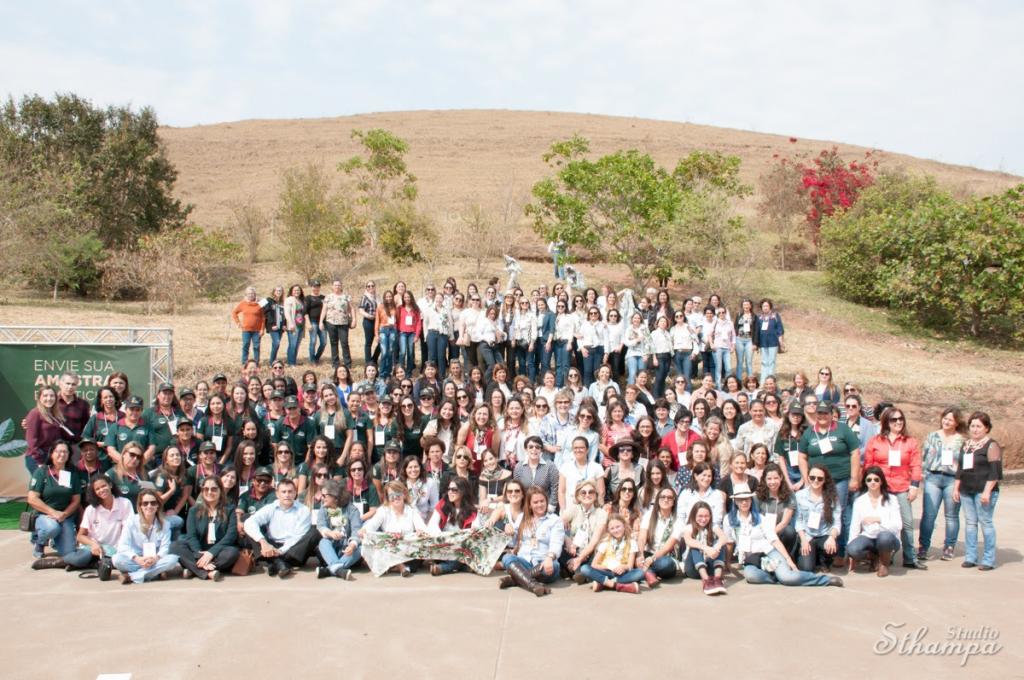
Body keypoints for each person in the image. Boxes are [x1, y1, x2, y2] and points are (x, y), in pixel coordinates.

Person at [728, 483, 843, 588]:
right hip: (750, 559)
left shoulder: (759, 518)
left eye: (747, 499)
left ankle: (824, 580)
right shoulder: (729, 520)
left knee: (787, 577)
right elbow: (728, 542)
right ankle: (776, 577)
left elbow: (774, 540)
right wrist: (727, 564)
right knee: (751, 576)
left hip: (769, 553)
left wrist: (789, 560)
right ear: (735, 502)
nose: (744, 502)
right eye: (740, 500)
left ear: (751, 500)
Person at [862, 406, 925, 569]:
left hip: (902, 487)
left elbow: (916, 465)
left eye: (900, 419)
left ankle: (910, 557)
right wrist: (869, 486)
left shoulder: (910, 442)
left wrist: (914, 486)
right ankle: (882, 556)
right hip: (881, 489)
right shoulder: (876, 441)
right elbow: (869, 465)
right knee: (882, 524)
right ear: (886, 422)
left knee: (907, 523)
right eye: (894, 419)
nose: (898, 422)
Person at [798, 402, 860, 557]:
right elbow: (802, 456)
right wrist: (806, 479)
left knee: (839, 513)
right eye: (819, 413)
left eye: (825, 413)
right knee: (816, 512)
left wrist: (854, 478)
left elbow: (855, 452)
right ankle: (822, 551)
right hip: (816, 481)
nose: (822, 416)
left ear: (832, 414)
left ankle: (841, 552)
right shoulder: (809, 432)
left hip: (838, 479)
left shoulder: (843, 429)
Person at [243, 478, 321, 578]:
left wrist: (280, 551)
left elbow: (298, 536)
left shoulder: (304, 510)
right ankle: (280, 563)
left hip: (294, 550)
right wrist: (263, 542)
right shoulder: (271, 507)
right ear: (277, 494)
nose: (287, 495)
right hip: (272, 545)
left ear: (295, 493)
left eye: (290, 491)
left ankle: (276, 562)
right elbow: (250, 522)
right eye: (283, 492)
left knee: (314, 532)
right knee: (248, 522)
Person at [955, 412, 1002, 571]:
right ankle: (971, 557)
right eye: (973, 426)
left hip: (984, 490)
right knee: (970, 524)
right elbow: (961, 469)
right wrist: (956, 488)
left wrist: (987, 492)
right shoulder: (966, 444)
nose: (975, 429)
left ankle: (988, 559)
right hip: (966, 490)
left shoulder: (991, 445)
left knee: (986, 523)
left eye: (979, 426)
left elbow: (995, 472)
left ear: (986, 428)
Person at [918, 407, 965, 562]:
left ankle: (949, 546)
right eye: (945, 418)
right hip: (933, 477)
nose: (946, 421)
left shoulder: (961, 440)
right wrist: (923, 478)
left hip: (952, 479)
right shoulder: (932, 436)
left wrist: (960, 483)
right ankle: (923, 547)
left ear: (956, 423)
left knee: (951, 516)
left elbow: (964, 464)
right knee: (929, 516)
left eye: (950, 419)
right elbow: (924, 458)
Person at [171, 476, 240, 580]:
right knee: (175, 546)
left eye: (214, 489)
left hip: (219, 551)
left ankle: (194, 569)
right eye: (206, 489)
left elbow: (231, 536)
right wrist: (200, 555)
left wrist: (211, 553)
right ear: (202, 491)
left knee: (232, 552)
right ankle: (207, 572)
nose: (209, 492)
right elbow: (191, 536)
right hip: (198, 551)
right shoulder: (194, 511)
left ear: (220, 491)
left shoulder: (229, 509)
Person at [499, 486, 563, 596]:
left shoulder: (554, 520)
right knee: (507, 558)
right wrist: (508, 530)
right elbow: (513, 542)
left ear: (546, 501)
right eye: (535, 502)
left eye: (542, 501)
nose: (539, 505)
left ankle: (515, 579)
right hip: (525, 562)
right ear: (529, 504)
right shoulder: (522, 517)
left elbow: (556, 543)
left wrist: (549, 558)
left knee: (552, 567)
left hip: (544, 563)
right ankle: (534, 585)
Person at [63, 476, 133, 576]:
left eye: (104, 486)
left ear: (110, 485)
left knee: (121, 561)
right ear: (94, 492)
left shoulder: (125, 503)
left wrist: (120, 548)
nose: (101, 490)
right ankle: (62, 561)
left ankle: (92, 564)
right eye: (97, 489)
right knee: (81, 558)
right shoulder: (91, 509)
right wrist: (93, 544)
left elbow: (128, 530)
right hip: (93, 549)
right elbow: (80, 536)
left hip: (115, 549)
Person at [359, 480, 430, 577]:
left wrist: (420, 531)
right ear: (387, 498)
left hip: (407, 548)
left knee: (420, 547)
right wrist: (364, 530)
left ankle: (393, 566)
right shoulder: (383, 510)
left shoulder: (411, 510)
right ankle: (402, 567)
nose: (395, 497)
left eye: (398, 494)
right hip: (389, 548)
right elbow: (372, 525)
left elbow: (421, 527)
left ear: (404, 494)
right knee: (378, 540)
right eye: (391, 495)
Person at [27, 440, 81, 566]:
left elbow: (76, 500)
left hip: (65, 517)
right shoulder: (42, 472)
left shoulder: (72, 474)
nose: (62, 454)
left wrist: (64, 514)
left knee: (69, 554)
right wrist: (53, 512)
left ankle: (56, 542)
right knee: (52, 528)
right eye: (58, 451)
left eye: (65, 452)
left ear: (69, 455)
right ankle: (39, 542)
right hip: (44, 515)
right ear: (52, 454)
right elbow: (32, 498)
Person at [112, 489, 181, 584]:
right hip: (136, 559)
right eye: (145, 503)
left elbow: (165, 547)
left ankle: (131, 576)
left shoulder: (165, 524)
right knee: (116, 559)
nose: (149, 506)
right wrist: (137, 559)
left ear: (158, 505)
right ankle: (155, 573)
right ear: (140, 506)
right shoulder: (131, 521)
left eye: (153, 503)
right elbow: (123, 546)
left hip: (154, 559)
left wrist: (155, 559)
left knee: (172, 559)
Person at [847, 467, 903, 577]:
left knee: (884, 537)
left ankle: (884, 564)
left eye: (876, 479)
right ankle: (874, 557)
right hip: (869, 536)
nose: (873, 482)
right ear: (865, 482)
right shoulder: (860, 501)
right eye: (869, 480)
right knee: (853, 549)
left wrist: (879, 519)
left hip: (889, 538)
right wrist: (851, 552)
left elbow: (898, 525)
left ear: (881, 481)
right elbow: (855, 525)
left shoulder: (892, 499)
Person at [427, 477, 478, 575]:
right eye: (449, 489)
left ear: (463, 491)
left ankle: (443, 568)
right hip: (443, 545)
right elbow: (432, 524)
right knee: (460, 557)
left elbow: (475, 531)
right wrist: (444, 539)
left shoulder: (472, 511)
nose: (450, 492)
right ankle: (465, 566)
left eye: (454, 490)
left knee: (461, 554)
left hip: (460, 547)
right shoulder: (442, 504)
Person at [580, 514, 643, 594]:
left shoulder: (632, 542)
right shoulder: (605, 542)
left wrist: (623, 567)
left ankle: (603, 583)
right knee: (585, 568)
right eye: (612, 528)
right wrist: (609, 568)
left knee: (639, 573)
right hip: (606, 571)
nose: (616, 530)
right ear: (608, 530)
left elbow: (629, 566)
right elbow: (594, 564)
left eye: (618, 527)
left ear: (624, 525)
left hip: (621, 574)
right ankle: (617, 585)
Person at [795, 465, 842, 573]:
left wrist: (832, 537)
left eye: (820, 478)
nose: (816, 480)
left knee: (832, 548)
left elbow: (837, 522)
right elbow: (798, 520)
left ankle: (825, 561)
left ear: (825, 480)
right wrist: (803, 540)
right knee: (806, 569)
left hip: (824, 534)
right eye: (812, 477)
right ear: (808, 477)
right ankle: (812, 558)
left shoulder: (832, 496)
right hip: (808, 535)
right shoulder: (799, 495)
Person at [315, 479, 363, 580]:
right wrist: (330, 533)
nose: (322, 498)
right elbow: (320, 525)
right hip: (331, 550)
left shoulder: (352, 509)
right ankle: (339, 570)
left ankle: (330, 569)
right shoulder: (323, 509)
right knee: (323, 542)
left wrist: (352, 545)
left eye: (324, 496)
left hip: (347, 551)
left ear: (335, 496)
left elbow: (356, 530)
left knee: (361, 548)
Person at [680, 501, 729, 595]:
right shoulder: (689, 527)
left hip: (709, 566)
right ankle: (706, 580)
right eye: (700, 516)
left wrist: (717, 547)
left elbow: (724, 537)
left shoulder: (713, 526)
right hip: (693, 569)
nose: (703, 519)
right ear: (694, 515)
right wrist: (706, 548)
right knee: (694, 546)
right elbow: (689, 541)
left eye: (706, 516)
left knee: (721, 544)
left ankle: (717, 579)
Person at [637, 486, 681, 587]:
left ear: (674, 501)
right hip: (648, 553)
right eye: (663, 497)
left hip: (665, 557)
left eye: (670, 497)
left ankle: (645, 571)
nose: (666, 499)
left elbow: (668, 546)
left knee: (666, 564)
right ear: (658, 500)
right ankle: (649, 573)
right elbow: (642, 537)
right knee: (635, 554)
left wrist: (652, 559)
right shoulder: (650, 515)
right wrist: (640, 555)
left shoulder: (678, 520)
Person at [24, 385, 72, 476]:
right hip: (37, 458)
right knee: (42, 487)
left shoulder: (55, 415)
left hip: (53, 457)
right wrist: (39, 461)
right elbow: (31, 441)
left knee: (57, 486)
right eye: (45, 396)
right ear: (39, 398)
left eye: (52, 396)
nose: (49, 398)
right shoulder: (35, 413)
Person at [754, 463, 798, 556]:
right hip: (762, 532)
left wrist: (771, 534)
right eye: (769, 479)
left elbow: (785, 522)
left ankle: (786, 557)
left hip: (780, 531)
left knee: (789, 531)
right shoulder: (758, 496)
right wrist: (765, 534)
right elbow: (755, 519)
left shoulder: (789, 495)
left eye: (775, 478)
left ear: (781, 477)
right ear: (764, 479)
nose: (772, 482)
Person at [321, 279, 355, 369]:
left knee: (344, 343)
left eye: (339, 285)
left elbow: (351, 308)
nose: (337, 286)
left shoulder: (346, 297)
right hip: (331, 322)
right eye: (335, 285)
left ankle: (348, 363)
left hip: (343, 322)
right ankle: (335, 363)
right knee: (333, 343)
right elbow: (324, 310)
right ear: (332, 287)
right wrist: (321, 322)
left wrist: (354, 319)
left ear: (341, 286)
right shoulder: (328, 297)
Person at [232, 286, 266, 366]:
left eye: (252, 293)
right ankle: (244, 362)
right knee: (245, 345)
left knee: (256, 346)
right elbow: (234, 312)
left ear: (255, 294)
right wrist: (238, 323)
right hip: (246, 329)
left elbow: (263, 317)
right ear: (246, 295)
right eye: (249, 294)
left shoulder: (260, 303)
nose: (251, 295)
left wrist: (262, 329)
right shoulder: (243, 303)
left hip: (257, 330)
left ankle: (256, 362)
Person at [754, 298, 784, 381]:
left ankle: (771, 379)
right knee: (764, 362)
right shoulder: (759, 317)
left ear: (770, 307)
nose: (765, 307)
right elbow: (756, 331)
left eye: (767, 306)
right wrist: (756, 343)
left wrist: (781, 341)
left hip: (773, 342)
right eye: (763, 306)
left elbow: (780, 329)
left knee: (771, 362)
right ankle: (763, 380)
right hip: (763, 343)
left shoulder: (775, 316)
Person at [359, 281, 380, 367]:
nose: (371, 287)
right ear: (366, 288)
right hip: (368, 321)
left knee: (381, 341)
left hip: (377, 321)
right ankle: (368, 362)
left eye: (372, 286)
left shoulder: (377, 297)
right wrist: (369, 315)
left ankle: (374, 359)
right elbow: (361, 310)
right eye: (368, 286)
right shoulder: (365, 297)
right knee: (369, 342)